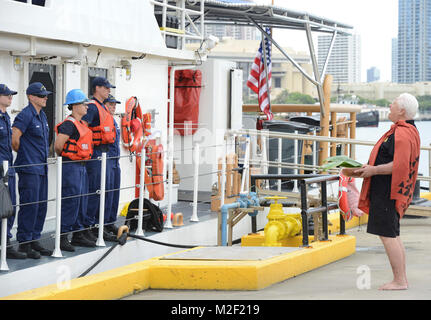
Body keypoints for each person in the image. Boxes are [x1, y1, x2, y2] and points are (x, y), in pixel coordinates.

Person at [355, 93, 421, 291]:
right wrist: (368, 168)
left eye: (393, 104)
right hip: (388, 190)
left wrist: (373, 170)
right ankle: (400, 278)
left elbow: (399, 165)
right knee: (392, 234)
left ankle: (400, 281)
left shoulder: (403, 132)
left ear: (402, 111)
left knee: (388, 235)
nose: (390, 106)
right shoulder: (404, 131)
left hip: (388, 191)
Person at [12, 82, 53, 259]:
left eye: (45, 95)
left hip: (42, 168)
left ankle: (34, 238)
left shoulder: (42, 116)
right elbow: (15, 140)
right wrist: (26, 157)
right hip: (29, 168)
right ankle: (25, 242)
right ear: (31, 97)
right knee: (29, 205)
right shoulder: (25, 114)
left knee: (40, 205)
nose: (45, 98)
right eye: (41, 95)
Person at [54, 89, 95, 251]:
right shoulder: (68, 125)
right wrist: (66, 159)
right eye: (84, 104)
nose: (87, 107)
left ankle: (78, 234)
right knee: (70, 201)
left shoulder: (80, 124)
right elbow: (58, 146)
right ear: (75, 106)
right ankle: (63, 236)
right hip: (71, 166)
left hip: (81, 166)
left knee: (81, 200)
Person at [81, 77, 117, 242]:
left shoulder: (102, 107)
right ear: (97, 88)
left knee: (105, 192)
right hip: (95, 155)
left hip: (105, 154)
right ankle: (88, 227)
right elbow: (82, 128)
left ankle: (99, 225)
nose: (108, 90)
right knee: (95, 192)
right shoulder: (93, 108)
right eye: (106, 88)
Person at [0, 84, 26, 259]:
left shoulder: (6, 117)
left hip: (9, 168)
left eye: (11, 95)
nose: (10, 97)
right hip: (0, 169)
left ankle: (6, 242)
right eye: (7, 94)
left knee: (11, 207)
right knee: (2, 207)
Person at [104, 94, 122, 236]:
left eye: (115, 104)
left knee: (114, 193)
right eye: (110, 104)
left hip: (115, 161)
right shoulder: (104, 120)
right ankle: (102, 224)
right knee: (106, 193)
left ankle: (110, 222)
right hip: (107, 160)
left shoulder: (114, 121)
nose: (113, 106)